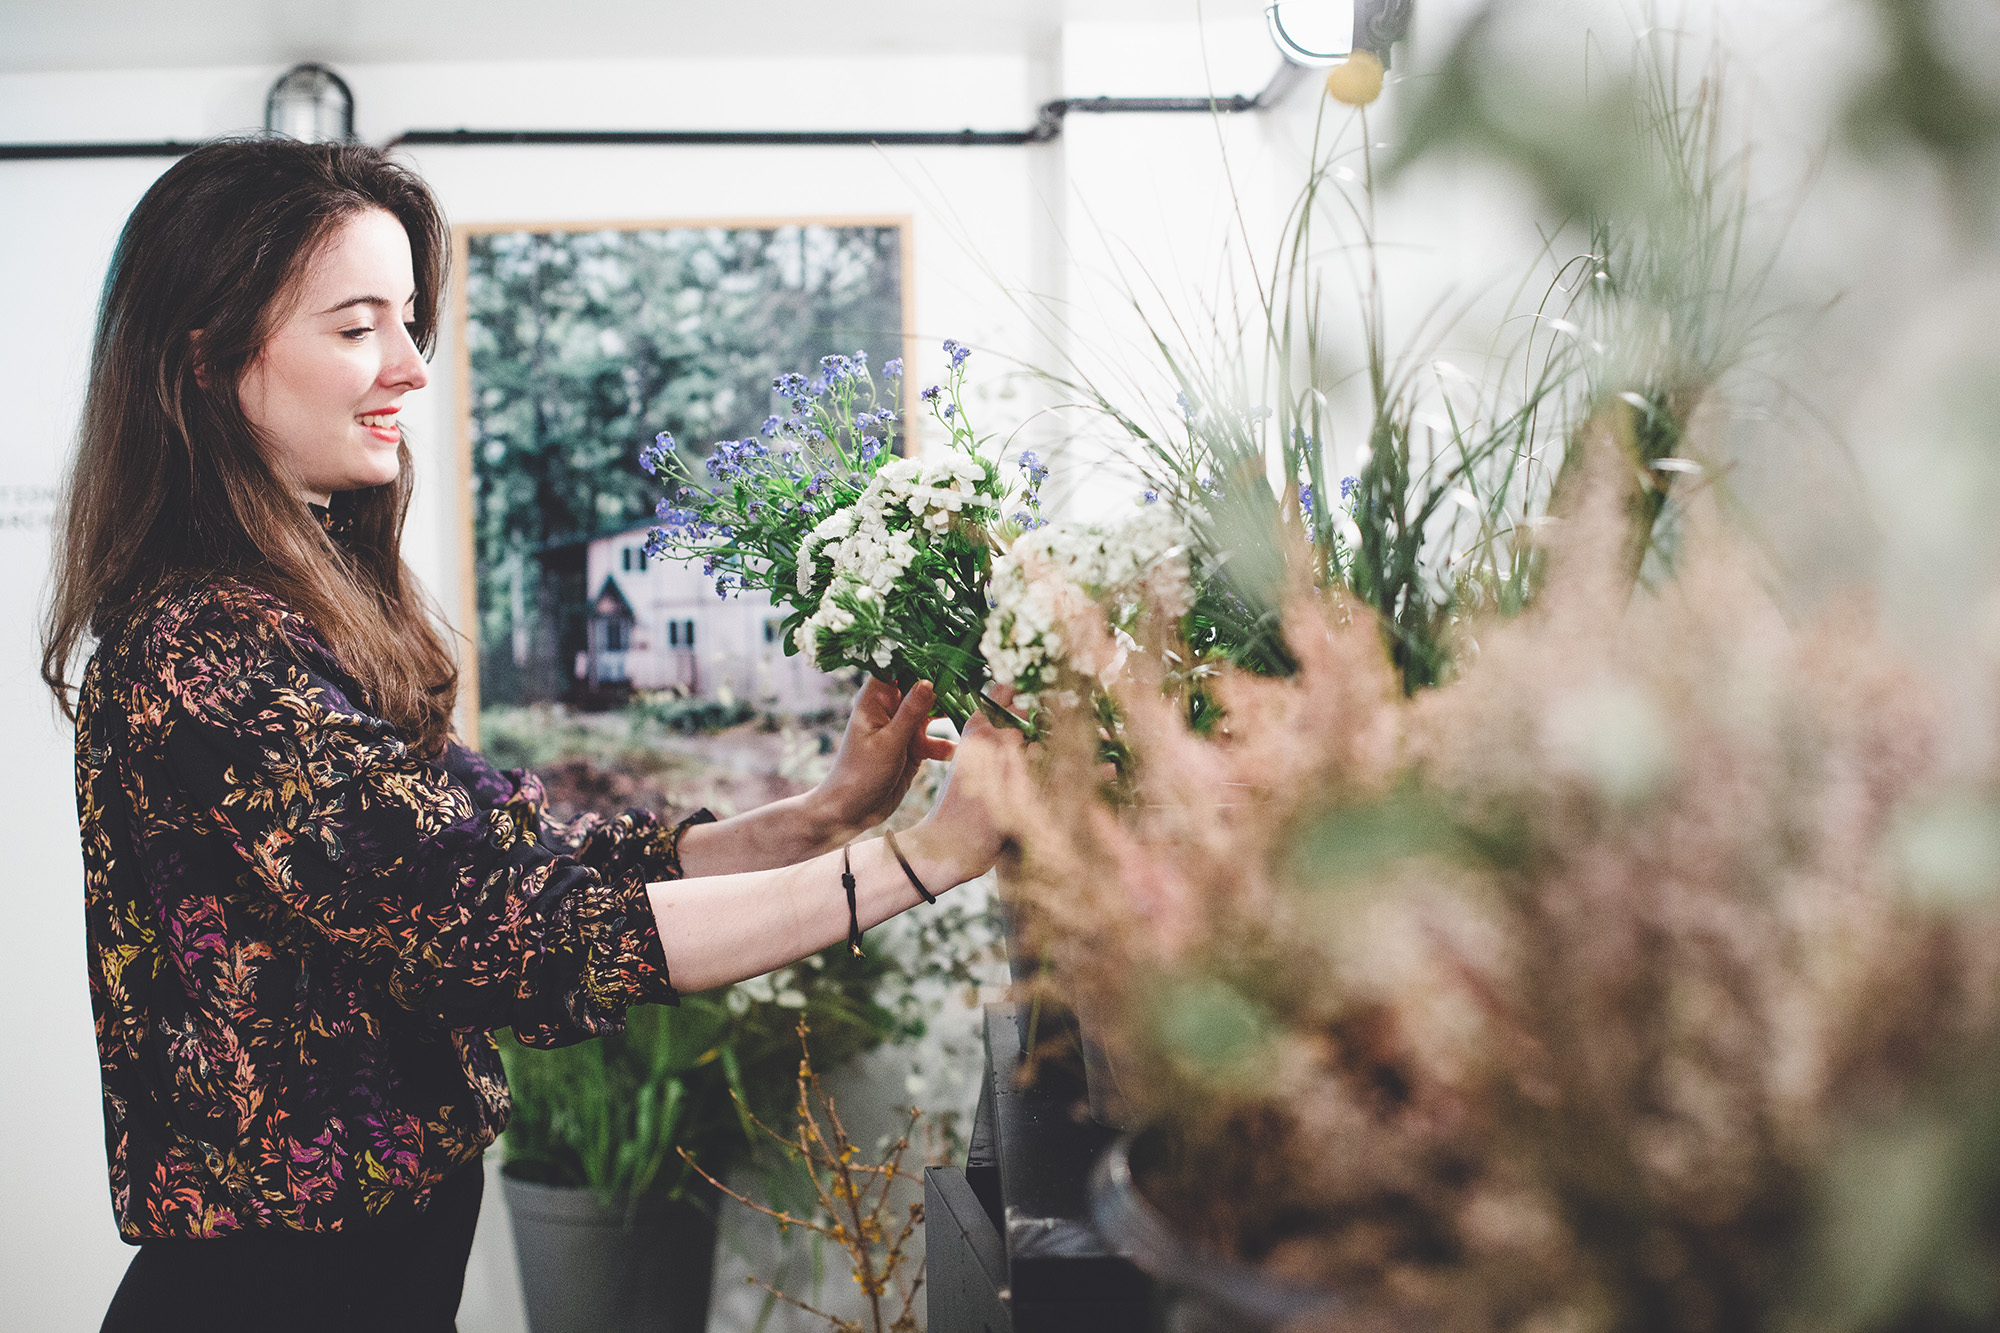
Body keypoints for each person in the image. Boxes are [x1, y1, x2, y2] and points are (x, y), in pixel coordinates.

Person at [38, 136, 1013, 1333]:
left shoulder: (289, 621)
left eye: (408, 323)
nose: (409, 366)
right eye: (356, 327)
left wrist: (823, 817)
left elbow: (524, 864)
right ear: (204, 357)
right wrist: (929, 854)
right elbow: (514, 933)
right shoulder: (205, 653)